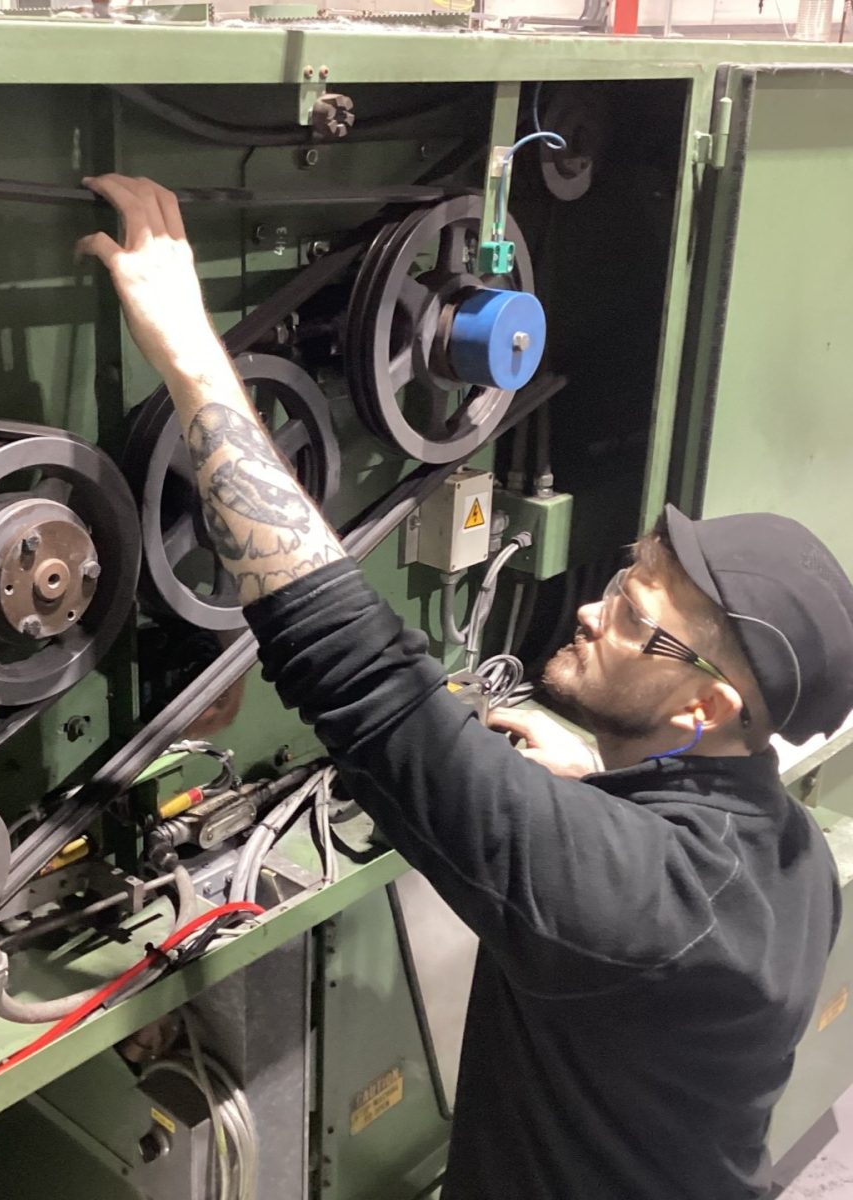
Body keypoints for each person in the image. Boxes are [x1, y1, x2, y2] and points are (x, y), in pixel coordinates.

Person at [78, 174, 853, 1200]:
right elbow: (663, 878)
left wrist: (186, 345)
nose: (592, 608)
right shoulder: (786, 853)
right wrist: (607, 771)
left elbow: (359, 676)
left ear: (704, 708)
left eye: (635, 616)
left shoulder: (638, 903)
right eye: (628, 574)